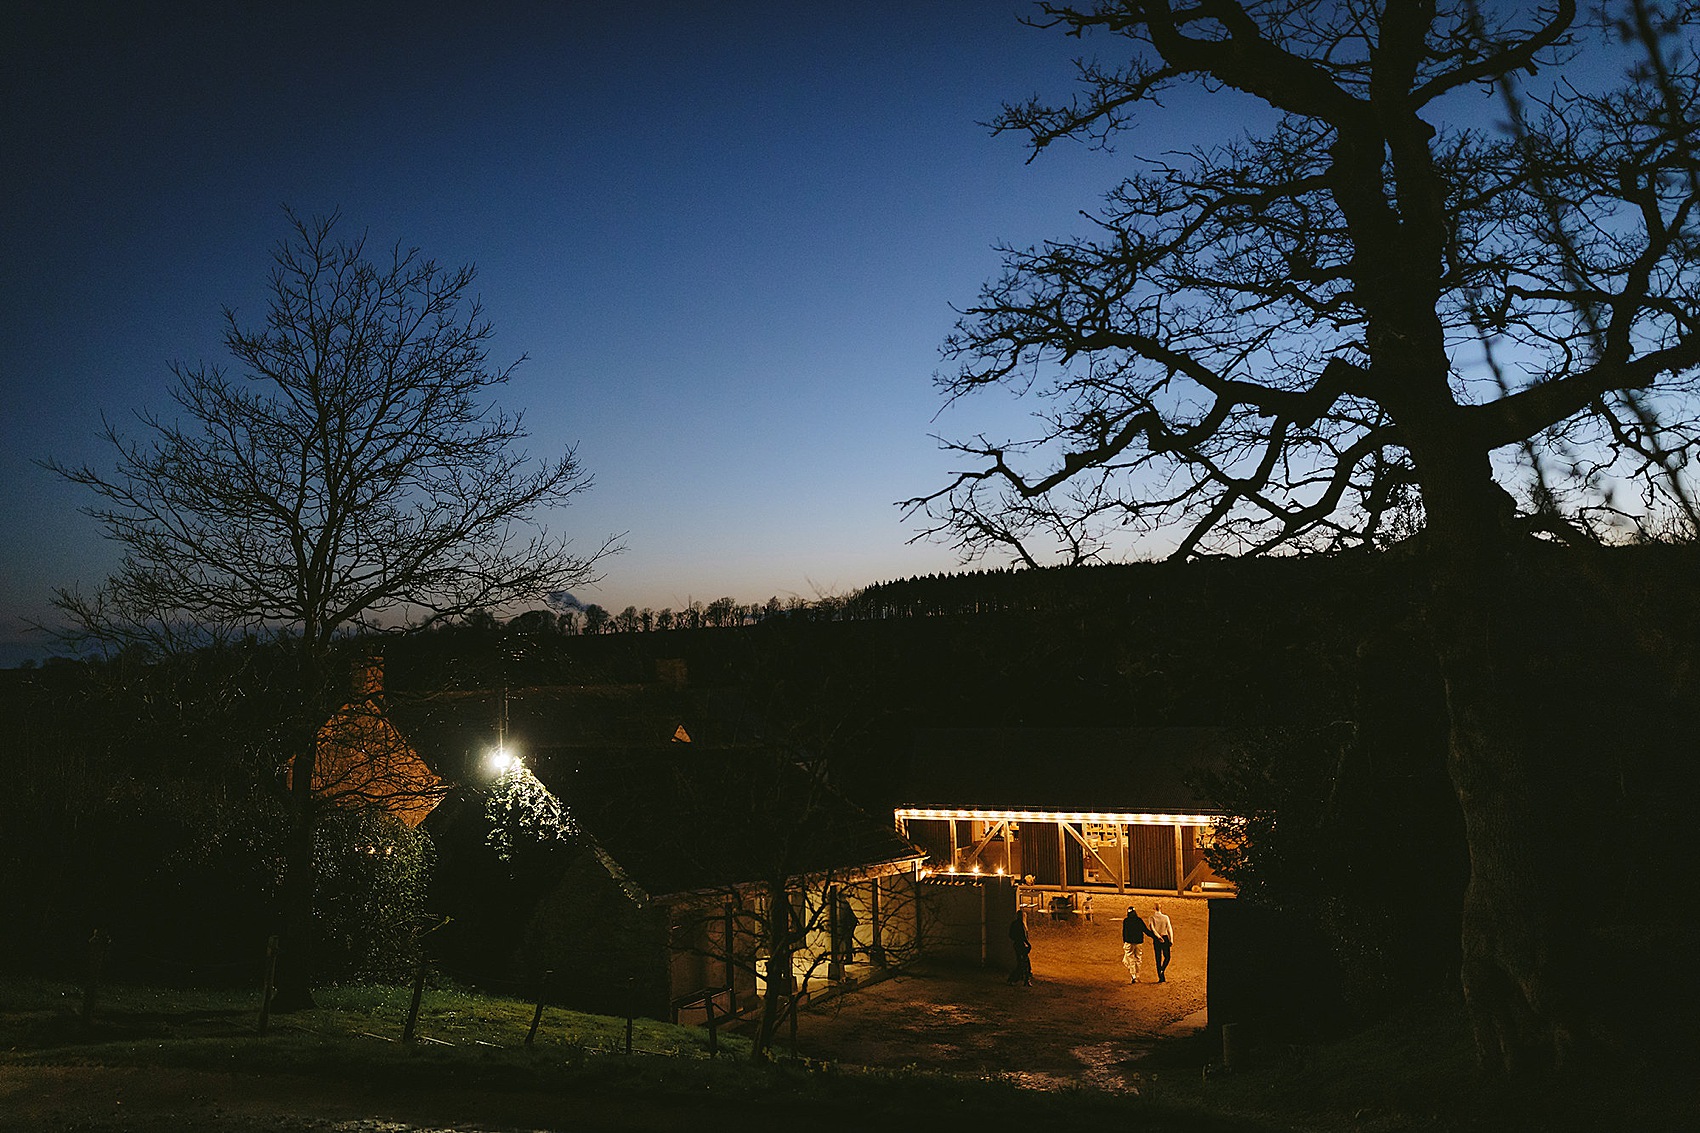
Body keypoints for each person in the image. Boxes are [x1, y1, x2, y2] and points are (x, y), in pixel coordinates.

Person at [1122, 906, 1151, 983]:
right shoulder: (1139, 920)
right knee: (1138, 958)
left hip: (1129, 942)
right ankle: (1137, 975)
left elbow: (1124, 932)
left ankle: (1133, 975)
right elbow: (1145, 930)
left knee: (1130, 958)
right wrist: (1154, 936)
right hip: (1138, 942)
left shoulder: (1126, 921)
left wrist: (1125, 941)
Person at [1149, 901, 1174, 983]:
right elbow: (1169, 928)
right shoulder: (1166, 917)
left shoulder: (1152, 918)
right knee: (1167, 956)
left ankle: (1161, 977)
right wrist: (1171, 939)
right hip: (1165, 936)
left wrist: (1158, 937)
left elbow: (1152, 929)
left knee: (1158, 958)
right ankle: (1163, 969)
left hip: (1157, 939)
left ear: (1153, 909)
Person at [1007, 910, 1034, 986]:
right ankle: (1023, 979)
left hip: (1017, 944)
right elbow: (1023, 936)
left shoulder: (1014, 924)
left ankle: (1021, 979)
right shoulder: (1021, 924)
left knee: (1021, 963)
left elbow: (1011, 935)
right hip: (1021, 945)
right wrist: (1028, 944)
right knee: (1025, 963)